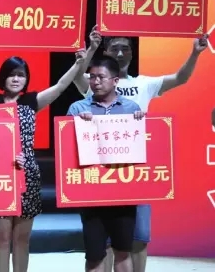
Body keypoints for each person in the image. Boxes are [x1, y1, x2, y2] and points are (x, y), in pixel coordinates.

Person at [73, 28, 208, 272]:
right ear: (106, 52)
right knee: (105, 242)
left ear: (132, 53)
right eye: (115, 49)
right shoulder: (98, 82)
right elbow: (76, 76)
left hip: (134, 169)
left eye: (125, 49)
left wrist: (195, 53)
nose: (120, 53)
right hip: (100, 169)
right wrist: (91, 48)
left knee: (139, 236)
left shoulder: (144, 84)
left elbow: (180, 78)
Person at [0, 50, 85, 272]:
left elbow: (61, 86)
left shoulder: (32, 101)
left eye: (20, 75)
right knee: (2, 238)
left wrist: (79, 63)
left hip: (28, 174)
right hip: (0, 175)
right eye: (11, 74)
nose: (16, 79)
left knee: (21, 239)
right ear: (3, 77)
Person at [67, 55, 145, 272]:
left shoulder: (131, 108)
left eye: (101, 77)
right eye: (92, 77)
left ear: (115, 80)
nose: (95, 82)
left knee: (123, 251)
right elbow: (66, 150)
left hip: (124, 192)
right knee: (94, 254)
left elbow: (143, 149)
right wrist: (76, 125)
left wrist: (142, 122)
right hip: (91, 193)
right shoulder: (77, 109)